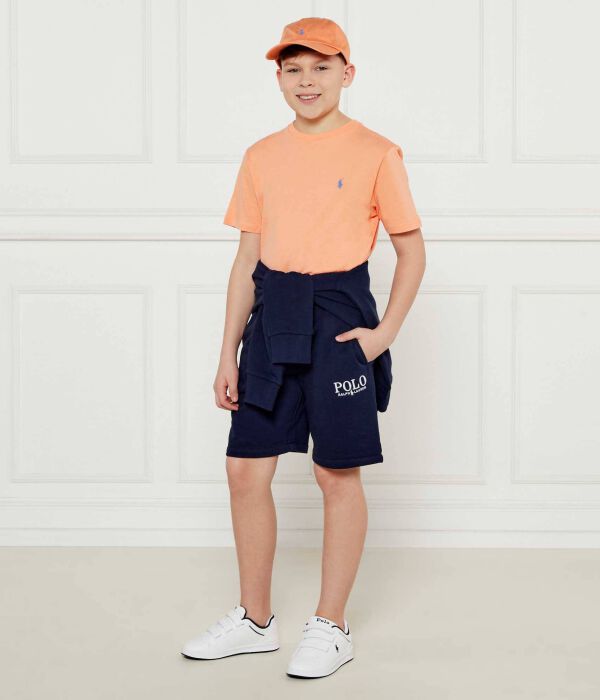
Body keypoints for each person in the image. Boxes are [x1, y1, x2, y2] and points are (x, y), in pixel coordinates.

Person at [181, 16, 426, 679]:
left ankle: (331, 624)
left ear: (348, 73)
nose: (306, 81)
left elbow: (411, 251)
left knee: (334, 473)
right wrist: (227, 353)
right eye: (293, 69)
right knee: (244, 469)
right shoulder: (261, 155)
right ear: (279, 79)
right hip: (272, 320)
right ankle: (255, 621)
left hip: (340, 319)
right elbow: (246, 261)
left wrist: (383, 334)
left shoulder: (377, 152)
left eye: (320, 67)